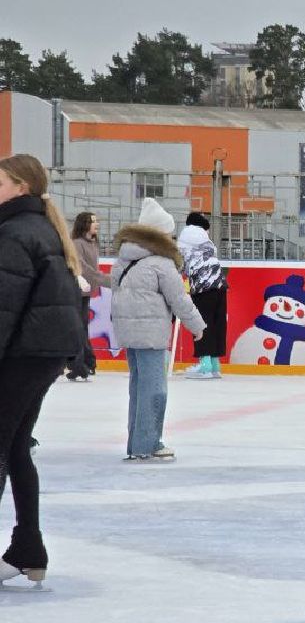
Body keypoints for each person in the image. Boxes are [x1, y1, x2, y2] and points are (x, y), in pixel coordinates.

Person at [0, 155, 86, 589]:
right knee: (15, 447)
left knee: (4, 446)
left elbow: (4, 305)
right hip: (42, 352)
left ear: (19, 186)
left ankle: (27, 546)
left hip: (23, 353)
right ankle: (28, 549)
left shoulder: (14, 231)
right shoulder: (40, 226)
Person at [111, 197, 205, 461]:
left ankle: (136, 443)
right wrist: (196, 325)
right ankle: (147, 444)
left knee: (138, 388)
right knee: (154, 390)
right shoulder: (161, 263)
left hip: (128, 332)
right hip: (150, 333)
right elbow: (179, 299)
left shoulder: (124, 259)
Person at [177, 211, 229, 379]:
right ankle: (215, 365)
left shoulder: (184, 238)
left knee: (202, 322)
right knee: (217, 322)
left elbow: (179, 263)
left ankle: (205, 365)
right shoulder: (207, 241)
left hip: (202, 287)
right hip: (219, 283)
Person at [65, 210, 108, 381]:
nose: (97, 224)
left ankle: (85, 363)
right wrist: (108, 281)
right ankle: (81, 364)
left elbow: (93, 270)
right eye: (93, 221)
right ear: (84, 224)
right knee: (78, 327)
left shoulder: (93, 243)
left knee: (82, 327)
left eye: (97, 221)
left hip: (86, 291)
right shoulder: (76, 243)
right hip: (76, 289)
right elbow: (83, 268)